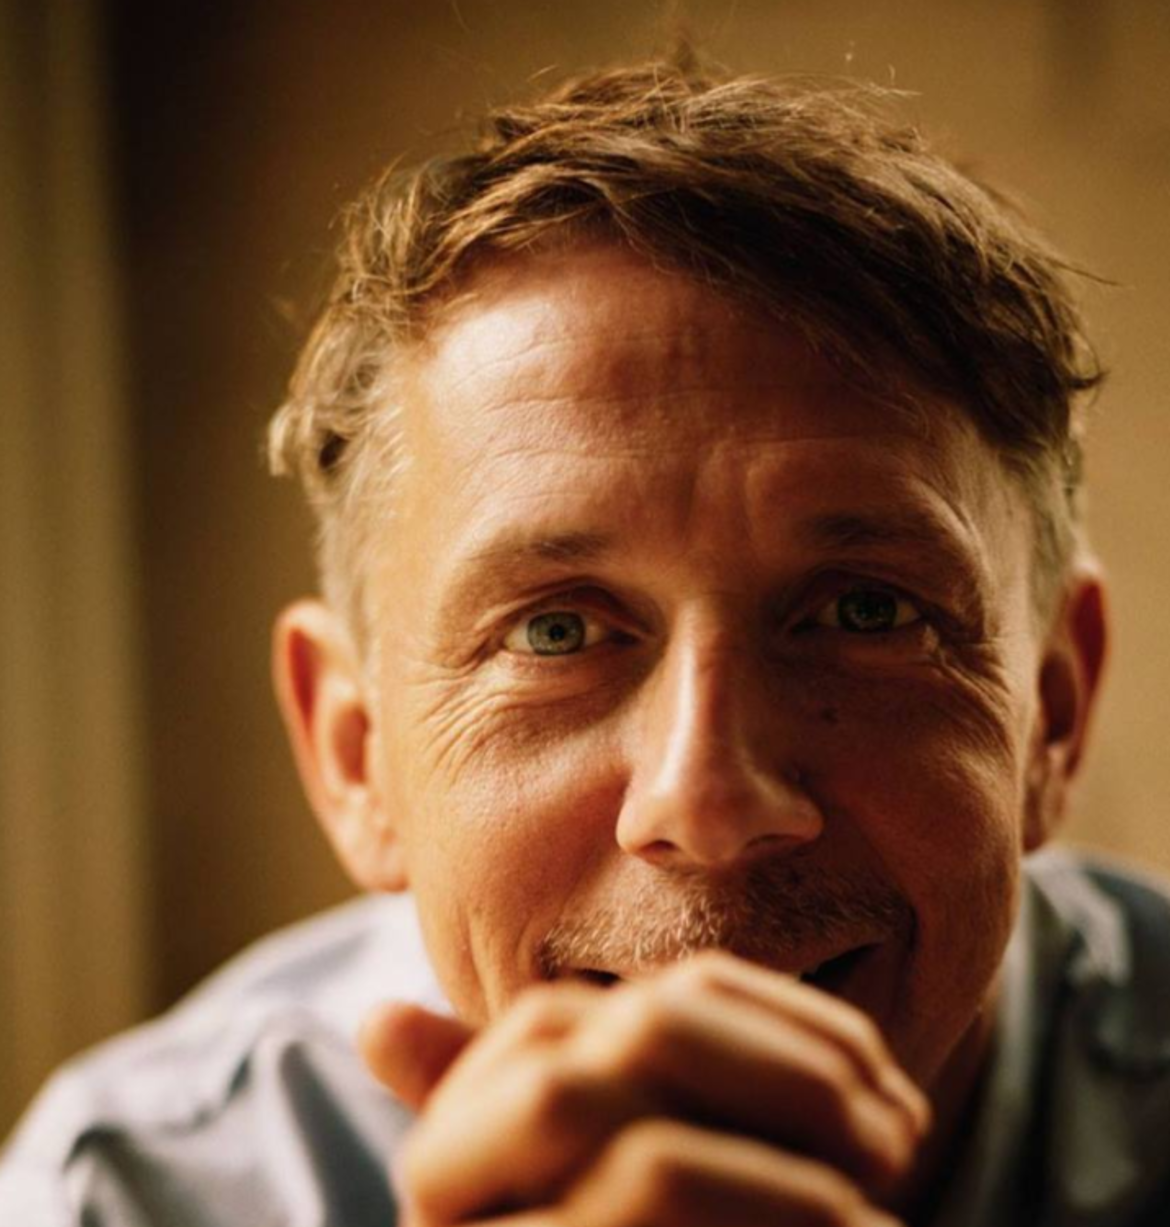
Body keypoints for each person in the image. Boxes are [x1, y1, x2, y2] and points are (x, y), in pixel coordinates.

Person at [4, 56, 1169, 1227]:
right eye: (555, 630)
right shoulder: (125, 1197)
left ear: (1054, 712)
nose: (706, 804)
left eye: (867, 611)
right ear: (355, 758)